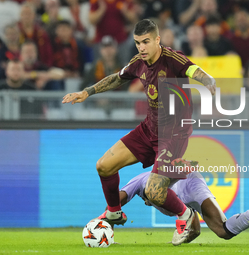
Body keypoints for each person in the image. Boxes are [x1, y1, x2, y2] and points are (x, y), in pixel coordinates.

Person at [62, 19, 216, 246]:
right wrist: (87, 91)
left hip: (172, 135)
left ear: (157, 40)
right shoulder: (138, 62)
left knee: (154, 192)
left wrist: (208, 80)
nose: (141, 47)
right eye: (137, 43)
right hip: (148, 129)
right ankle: (114, 212)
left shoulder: (172, 59)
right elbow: (117, 78)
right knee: (103, 165)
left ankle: (187, 216)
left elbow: (193, 69)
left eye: (146, 42)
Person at [116, 170, 249, 243]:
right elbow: (195, 229)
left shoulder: (140, 181)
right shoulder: (171, 206)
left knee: (222, 230)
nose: (151, 202)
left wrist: (107, 216)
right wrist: (183, 240)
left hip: (190, 181)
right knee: (223, 231)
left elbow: (116, 200)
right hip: (189, 192)